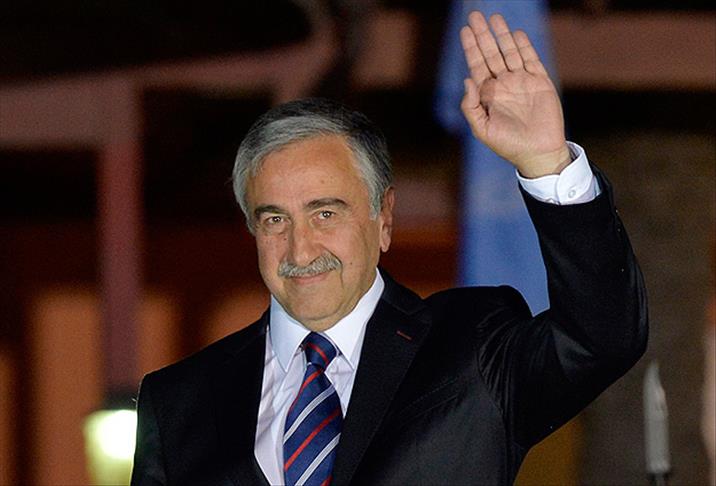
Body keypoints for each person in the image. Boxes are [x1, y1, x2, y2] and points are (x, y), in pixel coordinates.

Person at [131, 11, 647, 486]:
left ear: (384, 218)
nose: (300, 249)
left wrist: (548, 164)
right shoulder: (178, 401)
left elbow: (602, 338)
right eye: (275, 220)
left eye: (325, 214)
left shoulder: (470, 348)